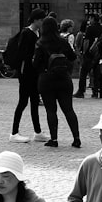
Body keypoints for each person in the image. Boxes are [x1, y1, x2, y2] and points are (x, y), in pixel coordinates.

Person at [32, 16, 81, 148]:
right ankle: (76, 138)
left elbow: (36, 64)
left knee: (51, 110)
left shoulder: (40, 43)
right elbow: (72, 56)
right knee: (69, 110)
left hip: (46, 79)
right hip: (64, 78)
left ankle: (54, 139)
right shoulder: (62, 42)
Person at [9, 8, 47, 143]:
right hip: (26, 73)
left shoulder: (37, 32)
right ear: (35, 20)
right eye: (41, 20)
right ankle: (14, 132)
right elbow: (22, 54)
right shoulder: (27, 33)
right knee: (23, 102)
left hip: (34, 72)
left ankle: (37, 132)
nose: (43, 22)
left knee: (34, 102)